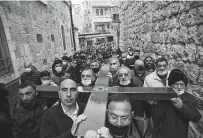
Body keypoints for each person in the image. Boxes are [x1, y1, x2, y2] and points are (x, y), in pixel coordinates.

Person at [151, 69, 202, 138]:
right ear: (171, 85)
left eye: (182, 84)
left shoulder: (190, 98)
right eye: (176, 84)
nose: (179, 87)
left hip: (181, 135)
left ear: (185, 85)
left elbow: (196, 118)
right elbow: (156, 120)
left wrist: (182, 107)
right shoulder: (163, 98)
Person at [84, 93, 151, 138]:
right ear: (107, 113)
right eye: (113, 117)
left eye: (124, 118)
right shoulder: (96, 125)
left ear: (132, 115)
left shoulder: (143, 125)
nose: (119, 123)